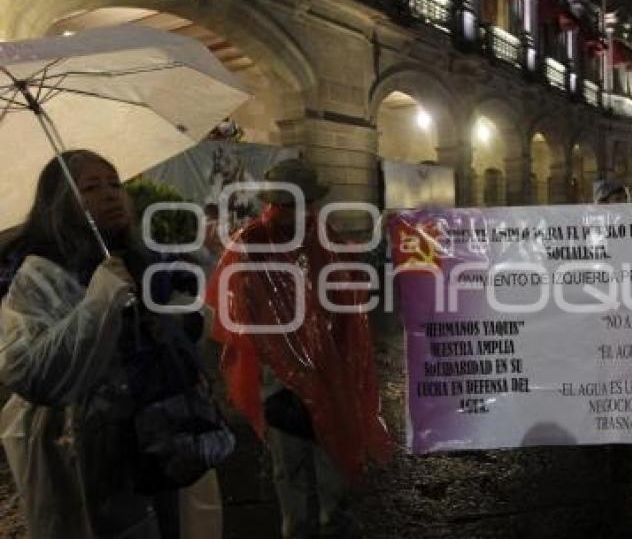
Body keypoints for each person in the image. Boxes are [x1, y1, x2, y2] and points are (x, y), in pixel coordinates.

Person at [0, 150, 220, 539]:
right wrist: (100, 301)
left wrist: (182, 322)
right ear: (60, 204)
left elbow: (183, 324)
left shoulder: (140, 258)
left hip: (162, 443)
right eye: (90, 187)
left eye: (114, 184)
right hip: (88, 457)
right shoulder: (38, 275)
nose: (110, 195)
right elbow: (29, 372)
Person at [206, 159, 392, 539]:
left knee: (333, 462)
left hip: (329, 374)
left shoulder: (327, 238)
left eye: (305, 201)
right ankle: (298, 530)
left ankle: (334, 523)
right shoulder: (251, 243)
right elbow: (236, 314)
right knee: (289, 471)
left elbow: (351, 298)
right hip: (280, 381)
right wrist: (289, 362)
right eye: (289, 201)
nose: (299, 210)